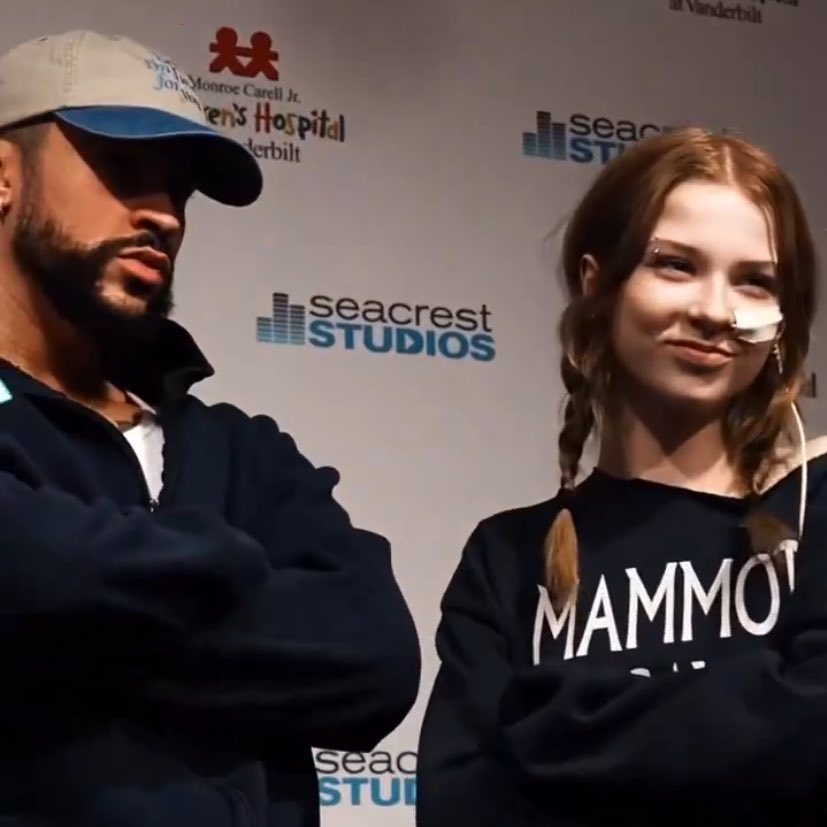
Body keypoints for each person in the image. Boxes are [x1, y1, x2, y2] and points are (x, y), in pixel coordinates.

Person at [0, 29, 420, 827]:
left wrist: (52, 644)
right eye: (121, 169)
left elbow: (376, 659)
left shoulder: (241, 448)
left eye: (180, 190)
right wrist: (234, 568)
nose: (161, 213)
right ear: (3, 177)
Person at [416, 127, 827, 826]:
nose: (711, 310)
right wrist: (758, 709)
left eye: (753, 281)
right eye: (673, 265)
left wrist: (550, 718)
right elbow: (461, 806)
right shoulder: (507, 557)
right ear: (596, 282)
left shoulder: (818, 521)